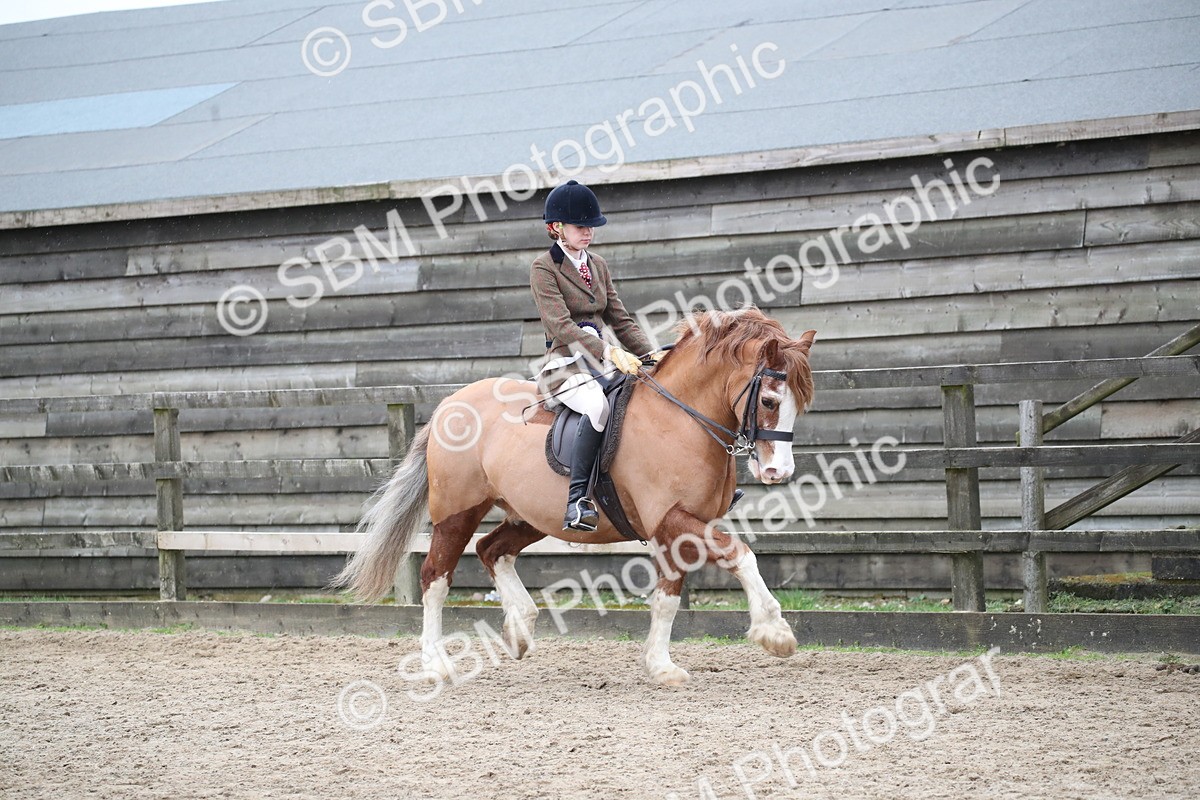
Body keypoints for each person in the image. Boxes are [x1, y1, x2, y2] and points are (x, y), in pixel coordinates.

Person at [530, 180, 662, 532]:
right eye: (580, 226)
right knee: (598, 407)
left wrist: (650, 354)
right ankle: (576, 501)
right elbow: (560, 326)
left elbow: (620, 317)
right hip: (565, 365)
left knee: (644, 399)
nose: (588, 232)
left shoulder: (598, 265)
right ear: (557, 228)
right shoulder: (544, 268)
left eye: (591, 226)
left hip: (603, 362)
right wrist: (609, 351)